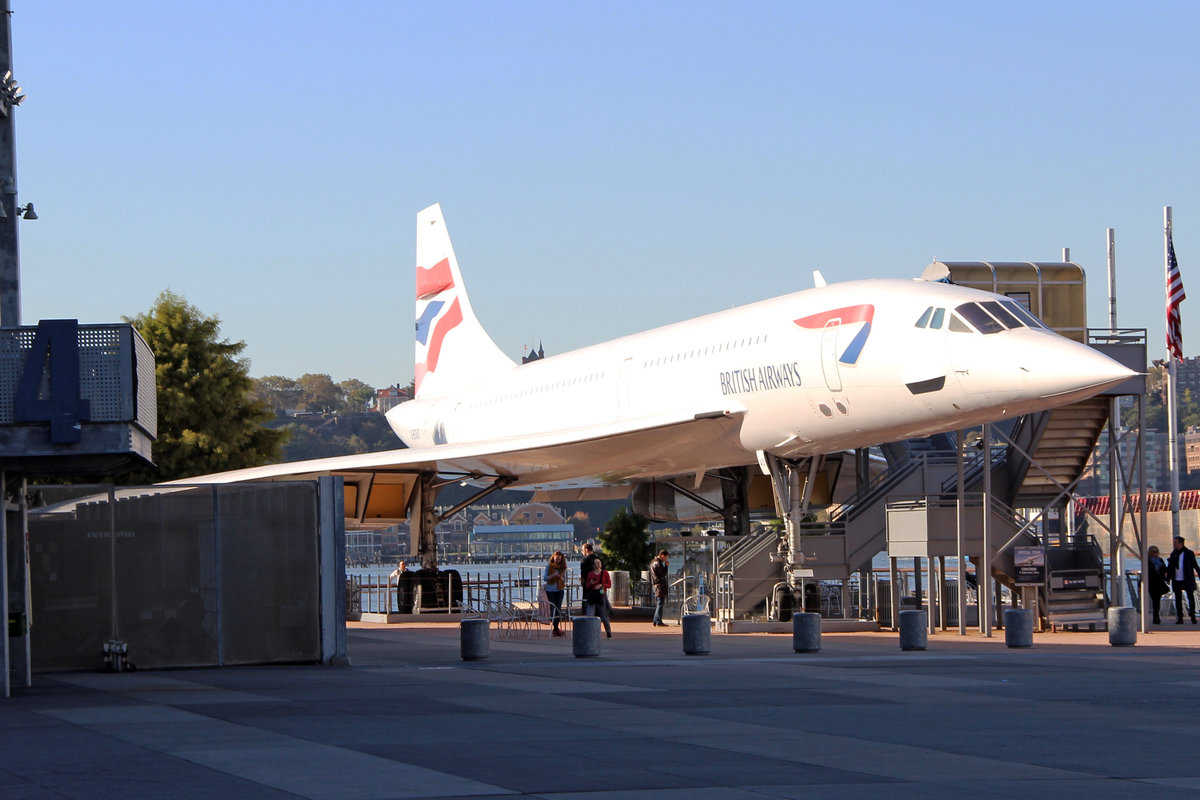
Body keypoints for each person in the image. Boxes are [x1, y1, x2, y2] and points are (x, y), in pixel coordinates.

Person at [1167, 536, 1200, 624]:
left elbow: (1195, 565)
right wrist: (1168, 578)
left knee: (1190, 598)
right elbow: (1170, 567)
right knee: (1178, 599)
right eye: (1174, 542)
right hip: (1176, 580)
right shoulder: (1173, 554)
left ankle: (1193, 617)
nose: (1174, 544)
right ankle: (1180, 618)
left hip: (1187, 579)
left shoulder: (1189, 553)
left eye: (1176, 542)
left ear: (1181, 543)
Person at [584, 557, 613, 638]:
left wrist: (602, 585)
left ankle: (608, 632)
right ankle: (590, 633)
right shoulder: (590, 574)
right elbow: (587, 586)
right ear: (593, 565)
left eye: (599, 562)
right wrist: (592, 583)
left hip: (601, 594)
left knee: (604, 615)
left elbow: (609, 584)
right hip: (593, 595)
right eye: (596, 563)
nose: (598, 564)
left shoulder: (605, 573)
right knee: (590, 615)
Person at [544, 551, 567, 637]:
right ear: (553, 557)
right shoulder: (549, 567)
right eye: (556, 558)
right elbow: (545, 578)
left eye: (559, 558)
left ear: (561, 559)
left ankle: (556, 628)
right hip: (550, 590)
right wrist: (553, 576)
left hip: (559, 590)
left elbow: (564, 580)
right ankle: (556, 628)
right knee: (553, 608)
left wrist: (560, 577)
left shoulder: (563, 568)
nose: (557, 559)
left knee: (558, 608)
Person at [1147, 545, 1169, 625]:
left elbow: (1165, 570)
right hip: (1152, 583)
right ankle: (1155, 617)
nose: (1155, 553)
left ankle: (1156, 617)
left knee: (1157, 601)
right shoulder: (1147, 561)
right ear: (1150, 552)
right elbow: (1145, 572)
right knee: (1155, 600)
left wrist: (1167, 578)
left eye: (1156, 551)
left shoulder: (1160, 560)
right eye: (1154, 552)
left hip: (1159, 583)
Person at [650, 549, 669, 627]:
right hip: (659, 585)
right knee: (660, 603)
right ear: (662, 555)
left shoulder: (653, 562)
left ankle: (655, 620)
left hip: (655, 584)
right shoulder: (658, 563)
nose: (666, 559)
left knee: (659, 603)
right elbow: (663, 573)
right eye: (666, 557)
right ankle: (658, 621)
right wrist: (666, 566)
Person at [579, 543, 598, 615]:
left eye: (582, 550)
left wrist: (582, 581)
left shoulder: (584, 559)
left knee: (586, 598)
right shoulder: (598, 559)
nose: (582, 552)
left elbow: (583, 572)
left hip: (588, 583)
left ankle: (585, 612)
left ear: (586, 550)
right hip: (598, 582)